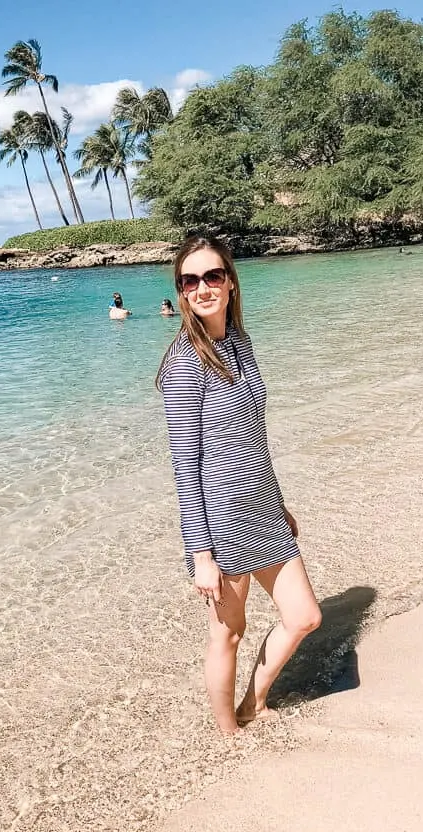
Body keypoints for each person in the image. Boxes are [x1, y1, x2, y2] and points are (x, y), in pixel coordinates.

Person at [157, 234, 322, 734]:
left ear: (230, 281)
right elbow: (187, 465)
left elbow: (251, 436)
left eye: (212, 276)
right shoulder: (186, 360)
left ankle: (253, 702)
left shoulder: (239, 342)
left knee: (304, 617)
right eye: (190, 280)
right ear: (181, 292)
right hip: (221, 522)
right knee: (228, 632)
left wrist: (280, 502)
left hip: (263, 510)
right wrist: (201, 554)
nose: (203, 287)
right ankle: (228, 736)